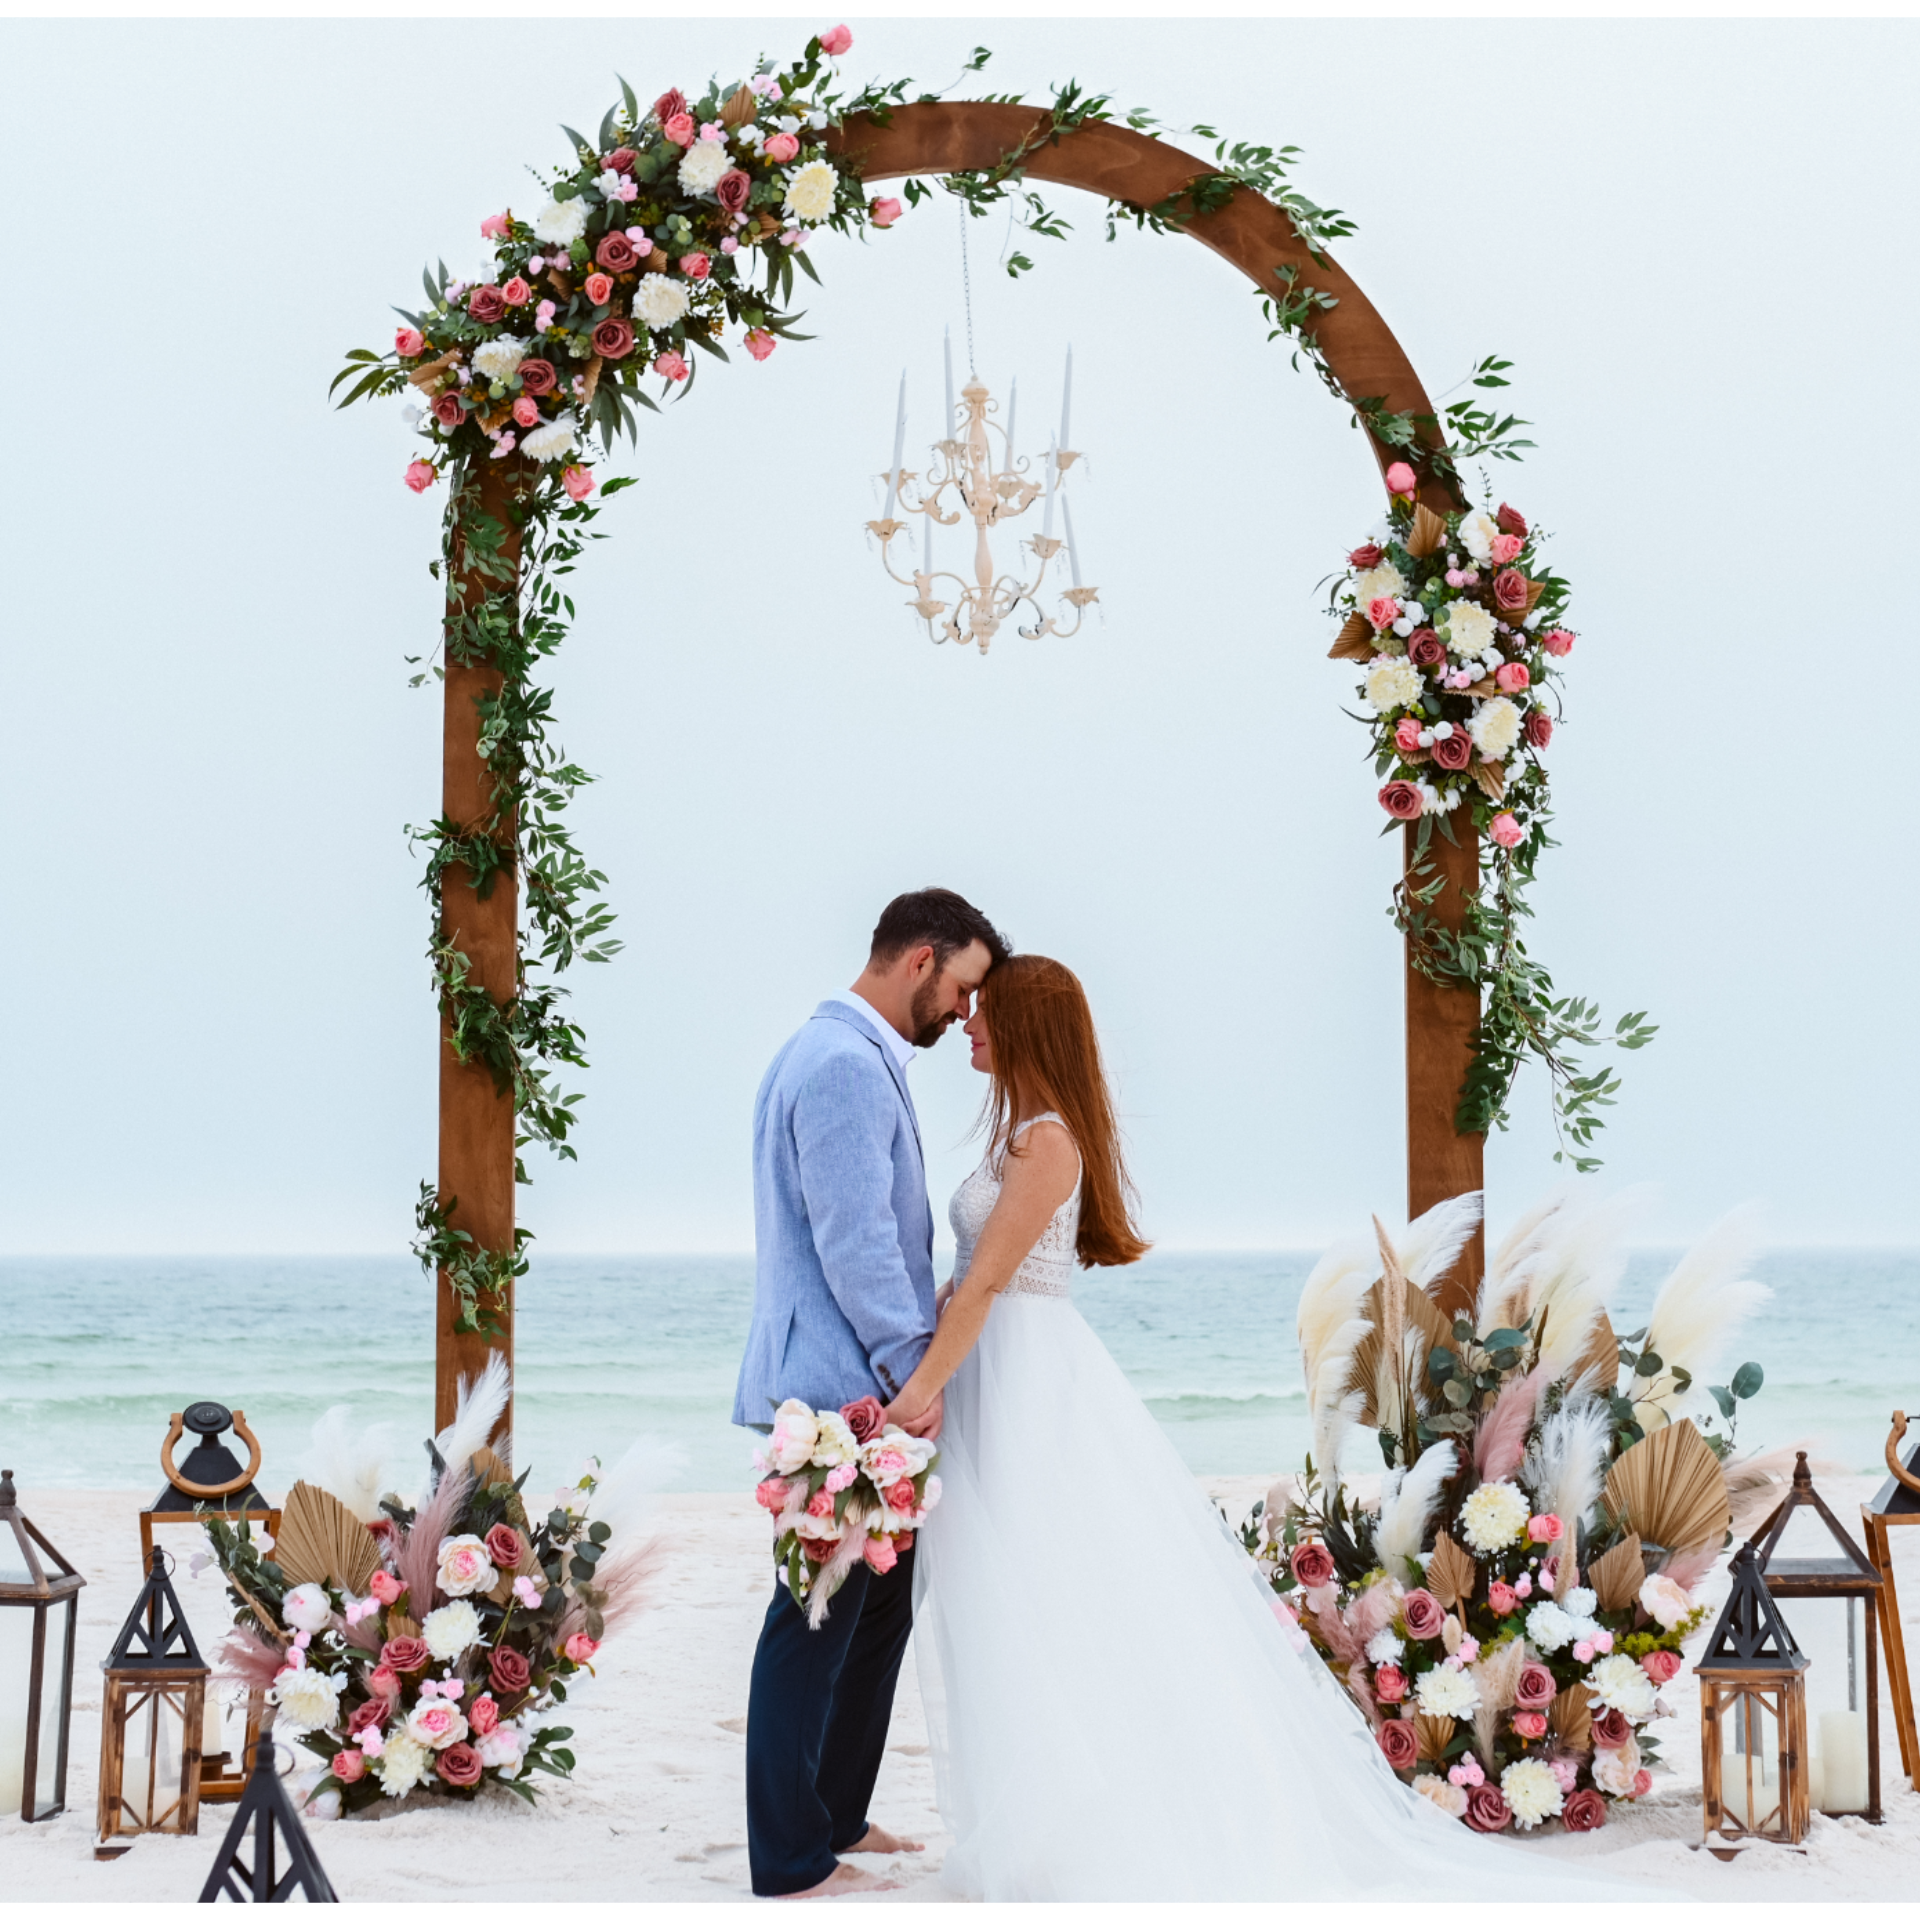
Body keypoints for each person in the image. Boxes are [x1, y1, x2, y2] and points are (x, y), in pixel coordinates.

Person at [882, 954, 1656, 1900]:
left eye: (986, 1013)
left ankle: (1072, 1832)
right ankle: (1031, 1821)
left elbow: (992, 1282)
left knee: (1042, 1593)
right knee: (1011, 1599)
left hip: (1026, 1374)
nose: (968, 1024)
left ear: (1028, 1026)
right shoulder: (1023, 1135)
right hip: (1002, 1369)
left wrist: (917, 1389)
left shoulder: (1045, 1144)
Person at [733, 887, 1009, 1900]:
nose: (966, 1015)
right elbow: (856, 1246)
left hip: (855, 1393)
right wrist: (912, 1377)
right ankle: (789, 1857)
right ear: (922, 960)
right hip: (847, 1397)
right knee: (813, 1616)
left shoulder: (838, 1052)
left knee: (877, 1610)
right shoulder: (845, 1065)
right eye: (965, 989)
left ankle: (834, 1815)